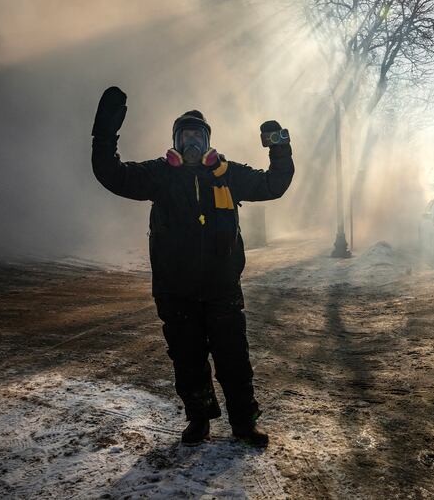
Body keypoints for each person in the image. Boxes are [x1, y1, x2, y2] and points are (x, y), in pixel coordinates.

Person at [91, 86, 294, 447]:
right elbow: (111, 174)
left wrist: (278, 144)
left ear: (208, 141)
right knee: (188, 362)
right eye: (185, 136)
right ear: (175, 141)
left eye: (198, 136)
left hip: (222, 289)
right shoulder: (160, 176)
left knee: (234, 360)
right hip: (176, 291)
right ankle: (198, 420)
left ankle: (245, 423)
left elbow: (274, 184)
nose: (192, 143)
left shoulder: (227, 175)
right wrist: (104, 132)